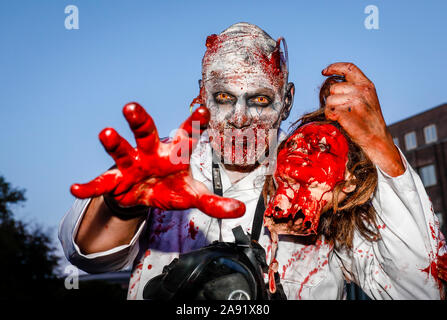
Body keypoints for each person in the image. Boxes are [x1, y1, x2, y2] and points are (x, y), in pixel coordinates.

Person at [59, 22, 445, 299]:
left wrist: (382, 150)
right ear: (202, 96)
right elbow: (87, 256)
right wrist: (122, 204)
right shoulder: (165, 166)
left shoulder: (314, 187)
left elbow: (421, 291)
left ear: (287, 101)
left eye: (260, 99)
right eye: (224, 98)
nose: (240, 117)